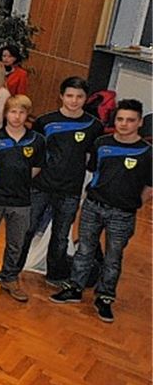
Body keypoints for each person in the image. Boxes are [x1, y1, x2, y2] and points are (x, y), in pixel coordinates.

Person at [50, 99, 151, 323]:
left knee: (113, 257)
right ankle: (74, 287)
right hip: (93, 207)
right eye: (120, 119)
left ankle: (105, 297)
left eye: (130, 120)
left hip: (123, 213)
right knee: (84, 249)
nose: (124, 124)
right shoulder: (101, 143)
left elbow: (150, 186)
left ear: (139, 122)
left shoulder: (147, 152)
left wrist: (132, 203)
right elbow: (92, 171)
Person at [19, 77, 104, 287]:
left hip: (71, 190)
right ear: (61, 96)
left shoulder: (94, 126)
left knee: (60, 235)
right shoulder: (45, 122)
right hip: (40, 186)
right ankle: (12, 269)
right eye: (69, 96)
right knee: (27, 229)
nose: (74, 101)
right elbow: (34, 154)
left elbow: (93, 160)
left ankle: (55, 275)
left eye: (79, 97)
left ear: (86, 99)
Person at [0, 95, 45, 302]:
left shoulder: (37, 140)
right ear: (6, 113)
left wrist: (18, 182)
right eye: (13, 111)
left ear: (27, 115)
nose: (17, 116)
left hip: (21, 200)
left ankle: (9, 276)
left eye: (22, 112)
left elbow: (36, 168)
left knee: (16, 242)